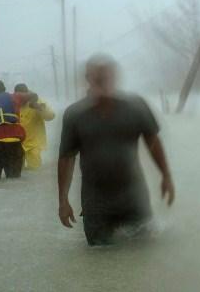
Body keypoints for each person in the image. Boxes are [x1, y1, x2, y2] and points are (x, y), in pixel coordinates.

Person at [57, 54, 175, 246]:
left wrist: (166, 176)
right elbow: (66, 158)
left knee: (144, 257)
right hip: (96, 204)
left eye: (108, 77)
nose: (103, 82)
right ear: (88, 78)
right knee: (99, 260)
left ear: (115, 78)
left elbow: (152, 141)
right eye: (98, 78)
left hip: (134, 198)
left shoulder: (136, 106)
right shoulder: (75, 114)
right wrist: (63, 200)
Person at [14, 83, 55, 170]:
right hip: (17, 143)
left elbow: (51, 116)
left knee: (35, 171)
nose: (22, 99)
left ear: (28, 94)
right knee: (16, 172)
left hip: (34, 144)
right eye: (19, 97)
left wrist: (39, 108)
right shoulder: (13, 103)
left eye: (24, 96)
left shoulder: (37, 101)